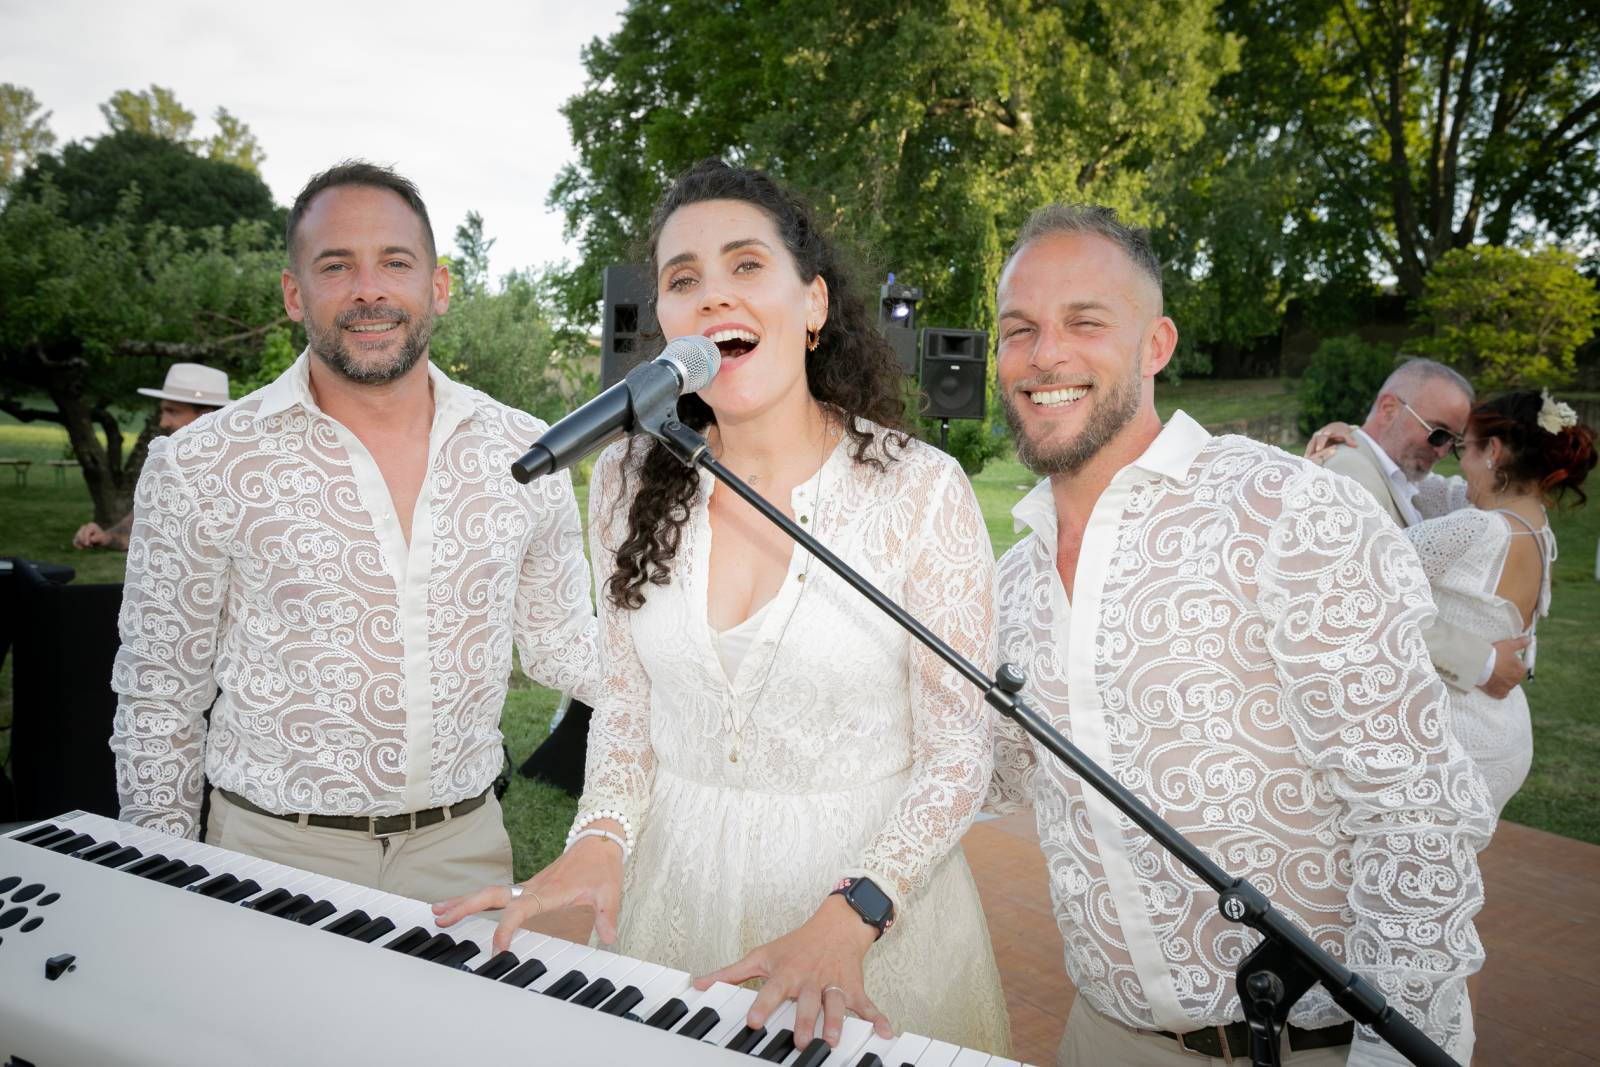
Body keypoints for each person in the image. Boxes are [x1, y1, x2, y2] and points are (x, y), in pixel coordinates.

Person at [435, 159, 1011, 1055]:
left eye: (746, 266)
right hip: (678, 893)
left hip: (873, 920)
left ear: (814, 304)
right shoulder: (625, 480)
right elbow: (627, 713)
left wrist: (854, 912)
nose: (713, 297)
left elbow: (959, 749)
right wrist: (597, 838)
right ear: (663, 322)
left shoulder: (920, 490)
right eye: (683, 280)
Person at [984, 204, 1493, 1066]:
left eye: (1085, 322)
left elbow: (1414, 820)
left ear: (1156, 345)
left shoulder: (1291, 514)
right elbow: (991, 771)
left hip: (1306, 1048)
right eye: (1018, 329)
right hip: (1099, 1037)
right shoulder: (1013, 577)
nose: (1044, 355)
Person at [110, 162, 598, 903]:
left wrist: (712, 677)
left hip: (464, 852)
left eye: (394, 262)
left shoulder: (526, 453)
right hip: (268, 853)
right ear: (293, 292)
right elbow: (159, 698)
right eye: (337, 265)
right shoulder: (201, 464)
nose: (369, 288)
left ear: (437, 285)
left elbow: (562, 645)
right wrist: (160, 880)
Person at [1326, 390, 1594, 813]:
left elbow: (1361, 578)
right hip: (1504, 734)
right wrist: (1350, 436)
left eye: (1464, 449)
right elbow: (1407, 477)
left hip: (1453, 743)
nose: (1457, 462)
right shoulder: (1538, 528)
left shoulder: (1474, 528)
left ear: (1494, 451)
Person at [1309, 360, 1531, 698]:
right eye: (1438, 433)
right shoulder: (1349, 476)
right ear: (1388, 408)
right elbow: (1358, 602)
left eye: (1454, 442)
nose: (1442, 451)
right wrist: (1483, 664)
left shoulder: (1400, 475)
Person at [72, 363, 228, 550]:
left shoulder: (236, 470)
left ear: (205, 415)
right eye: (163, 411)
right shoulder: (171, 463)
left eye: (172, 412)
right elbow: (145, 522)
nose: (163, 422)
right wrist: (105, 536)